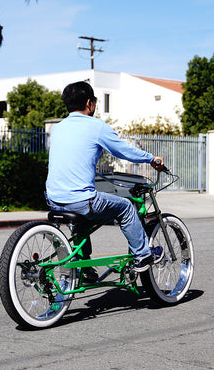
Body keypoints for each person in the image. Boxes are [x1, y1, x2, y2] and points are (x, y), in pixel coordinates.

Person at [45, 81, 164, 283]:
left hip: (53, 198)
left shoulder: (57, 129)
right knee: (126, 207)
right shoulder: (96, 126)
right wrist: (151, 159)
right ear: (90, 103)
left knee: (81, 221)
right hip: (81, 200)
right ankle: (143, 255)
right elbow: (124, 151)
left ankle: (85, 267)